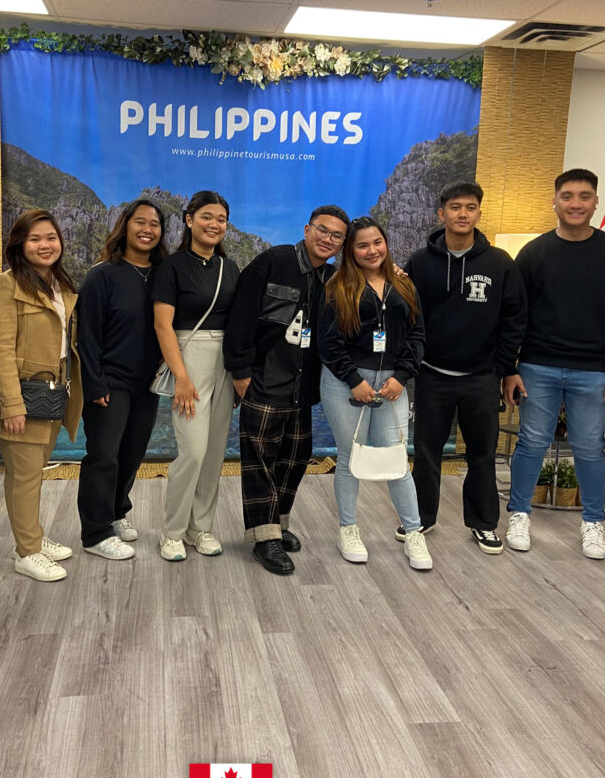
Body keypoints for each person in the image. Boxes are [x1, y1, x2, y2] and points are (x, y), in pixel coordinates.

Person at [502, 168, 605, 560]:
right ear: (555, 202)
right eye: (567, 196)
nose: (575, 203)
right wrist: (510, 367)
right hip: (537, 366)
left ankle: (593, 522)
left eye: (583, 196)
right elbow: (516, 316)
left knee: (589, 448)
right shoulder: (534, 253)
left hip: (595, 370)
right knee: (531, 443)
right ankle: (519, 514)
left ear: (596, 202)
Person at [224, 204, 350, 575]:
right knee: (260, 461)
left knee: (296, 457)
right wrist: (241, 371)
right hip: (265, 379)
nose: (328, 239)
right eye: (322, 230)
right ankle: (264, 540)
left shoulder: (332, 278)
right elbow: (241, 317)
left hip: (302, 388)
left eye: (337, 236)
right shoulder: (273, 262)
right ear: (307, 229)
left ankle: (277, 524)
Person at [403, 181, 525, 555]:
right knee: (425, 451)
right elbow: (408, 315)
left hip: (481, 377)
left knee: (482, 454)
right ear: (441, 214)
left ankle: (484, 523)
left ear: (478, 214)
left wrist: (502, 368)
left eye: (470, 208)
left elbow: (514, 319)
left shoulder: (500, 262)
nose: (462, 214)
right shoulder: (419, 262)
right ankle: (421, 517)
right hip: (432, 374)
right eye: (455, 207)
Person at [318, 217, 431, 570]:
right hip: (345, 383)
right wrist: (353, 380)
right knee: (350, 458)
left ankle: (414, 533)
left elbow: (418, 335)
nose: (372, 251)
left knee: (397, 461)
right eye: (362, 245)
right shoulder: (338, 286)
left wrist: (402, 376)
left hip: (393, 384)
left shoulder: (404, 284)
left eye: (377, 242)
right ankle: (348, 528)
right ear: (351, 250)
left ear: (386, 242)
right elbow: (328, 341)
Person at [0, 209, 82, 582]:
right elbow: (3, 349)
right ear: (19, 245)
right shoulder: (8, 285)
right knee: (24, 476)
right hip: (25, 394)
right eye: (35, 239)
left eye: (50, 237)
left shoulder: (59, 284)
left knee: (35, 472)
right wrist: (11, 403)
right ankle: (26, 551)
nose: (45, 245)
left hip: (53, 392)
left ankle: (35, 538)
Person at [152, 191, 240, 561]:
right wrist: (182, 378)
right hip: (190, 358)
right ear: (188, 220)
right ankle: (172, 531)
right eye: (206, 216)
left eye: (221, 218)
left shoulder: (230, 268)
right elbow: (162, 325)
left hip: (226, 361)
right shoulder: (171, 267)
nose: (214, 224)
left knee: (215, 452)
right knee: (193, 451)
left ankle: (199, 527)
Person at [76, 199, 167, 560]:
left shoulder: (163, 275)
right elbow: (87, 334)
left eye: (155, 224)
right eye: (140, 222)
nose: (147, 229)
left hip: (147, 384)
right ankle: (95, 532)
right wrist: (95, 384)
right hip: (109, 381)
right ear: (125, 226)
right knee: (103, 456)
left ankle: (116, 512)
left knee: (132, 454)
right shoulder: (103, 274)